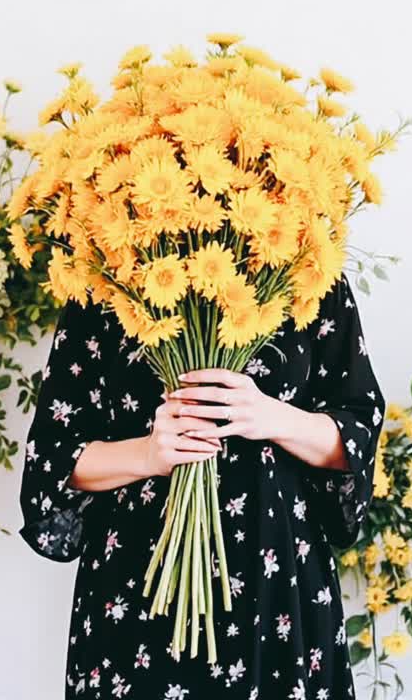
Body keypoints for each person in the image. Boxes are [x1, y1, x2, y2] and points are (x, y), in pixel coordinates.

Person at [20, 277, 384, 700]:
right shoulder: (107, 275)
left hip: (276, 592)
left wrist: (270, 416)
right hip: (138, 588)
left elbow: (356, 433)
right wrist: (146, 455)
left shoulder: (308, 267)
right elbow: (52, 458)